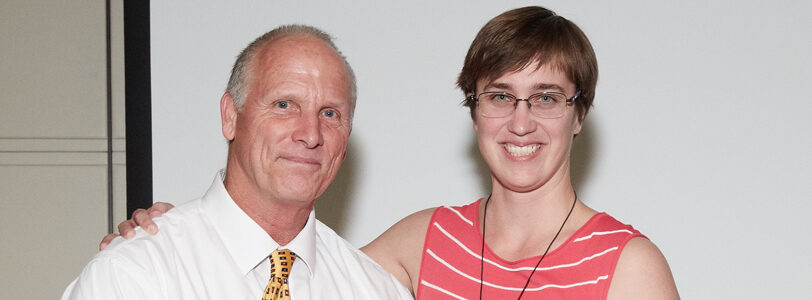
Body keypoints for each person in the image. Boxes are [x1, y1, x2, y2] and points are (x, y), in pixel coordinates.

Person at [106, 6, 679, 299]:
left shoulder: (629, 267)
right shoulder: (423, 243)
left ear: (580, 114)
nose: (521, 121)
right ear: (474, 111)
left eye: (547, 97)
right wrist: (164, 232)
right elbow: (289, 264)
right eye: (499, 96)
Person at [63, 25, 412, 299]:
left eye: (330, 113)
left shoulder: (377, 290)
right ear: (230, 116)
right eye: (284, 105)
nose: (310, 134)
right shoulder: (136, 275)